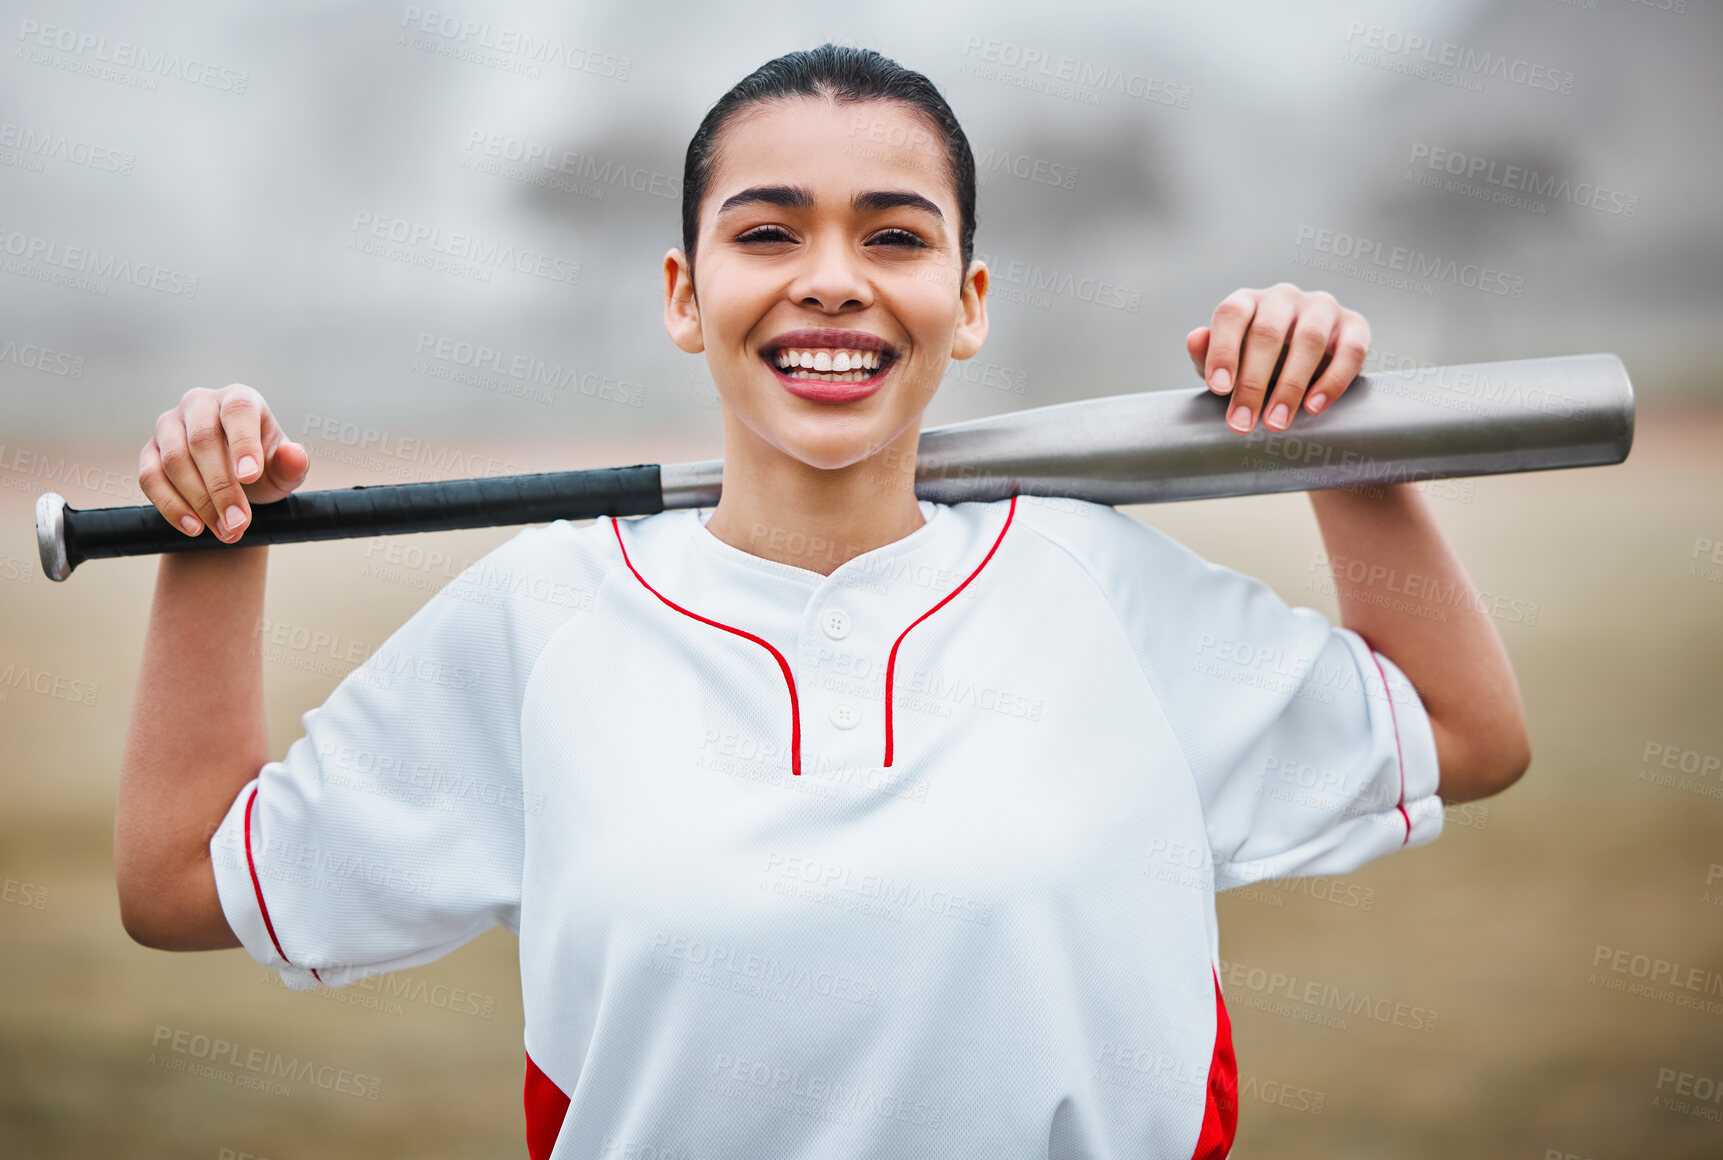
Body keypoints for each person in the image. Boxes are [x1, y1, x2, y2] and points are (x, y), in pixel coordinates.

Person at [115, 44, 1530, 1160]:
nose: (834, 283)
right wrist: (213, 533)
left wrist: (1341, 437)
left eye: (896, 239)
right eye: (769, 233)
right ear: (686, 291)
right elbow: (184, 881)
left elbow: (1463, 734)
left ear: (970, 302)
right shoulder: (541, 616)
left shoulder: (1095, 584)